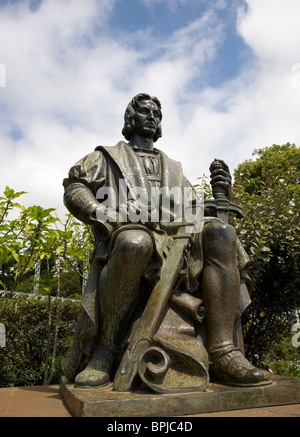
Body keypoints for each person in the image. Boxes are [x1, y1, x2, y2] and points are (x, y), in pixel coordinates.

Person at [61, 93, 271, 390]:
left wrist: (223, 194)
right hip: (132, 234)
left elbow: (195, 213)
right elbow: (75, 187)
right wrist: (101, 211)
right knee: (135, 242)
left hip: (178, 242)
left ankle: (224, 352)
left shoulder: (174, 168)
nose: (152, 116)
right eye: (144, 111)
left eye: (157, 113)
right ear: (130, 119)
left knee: (221, 233)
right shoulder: (105, 157)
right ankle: (105, 350)